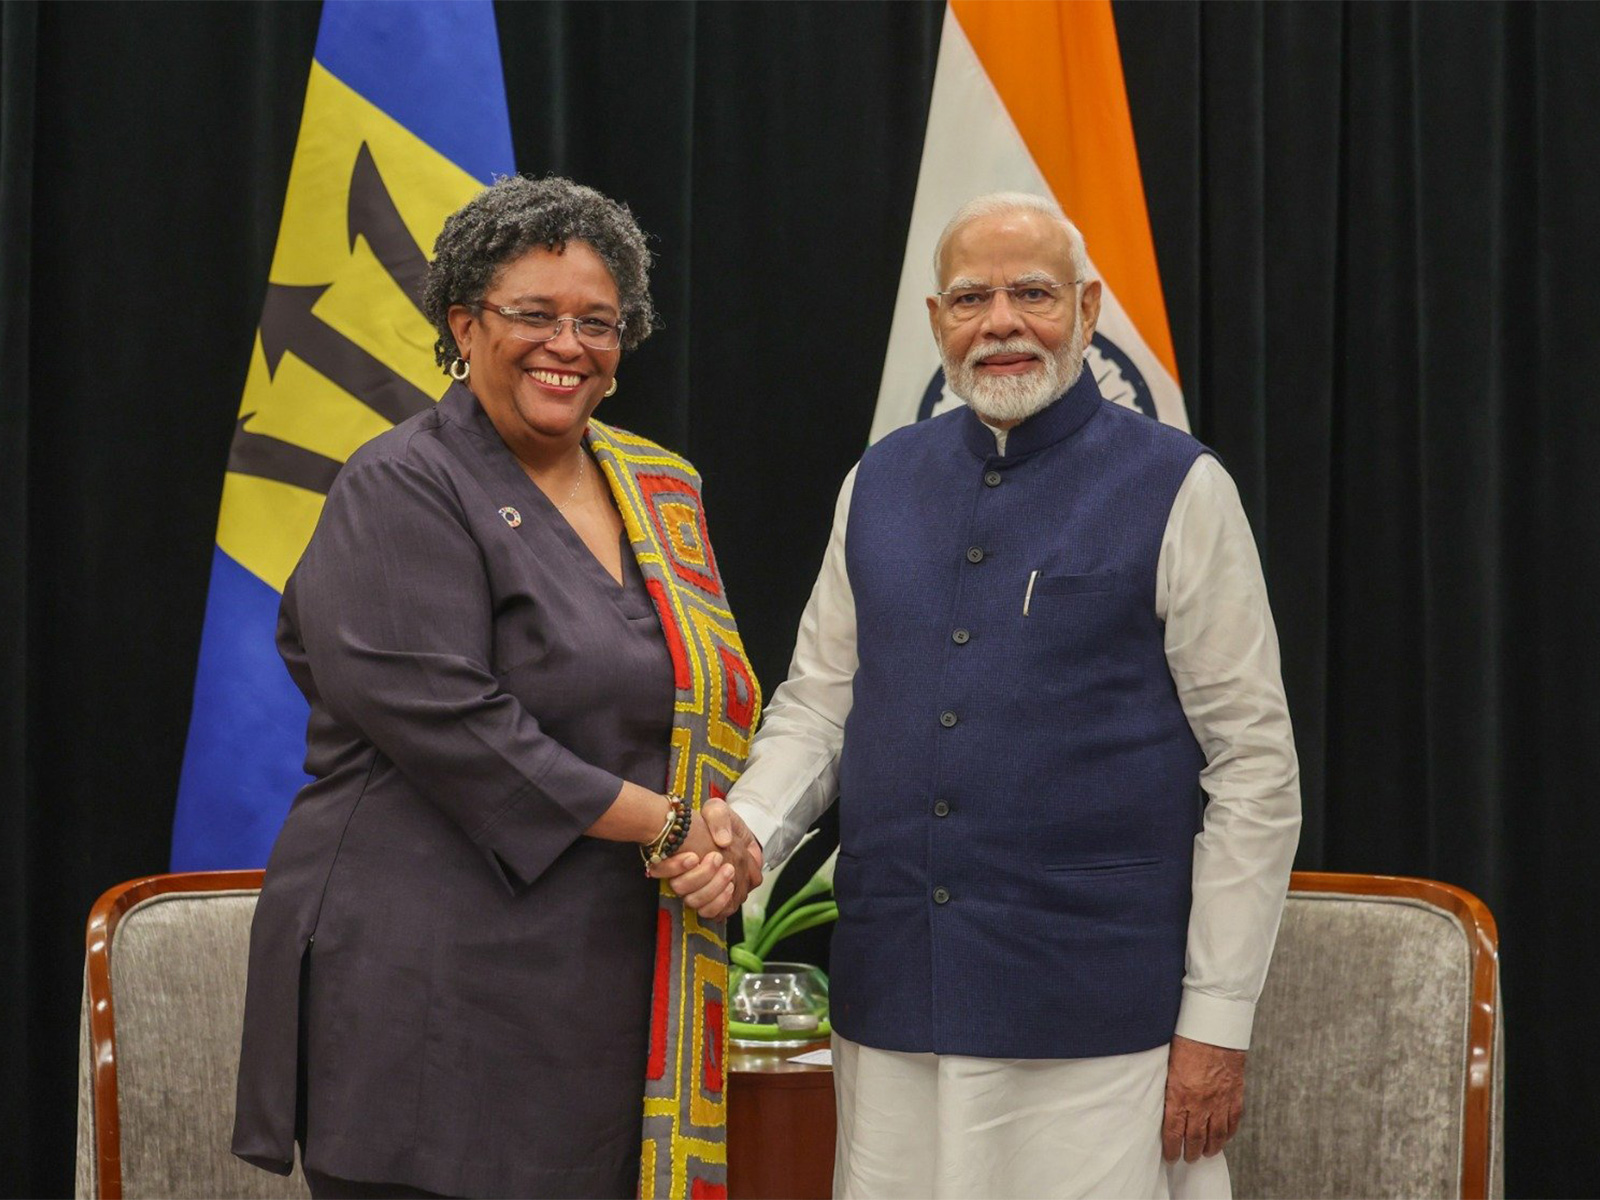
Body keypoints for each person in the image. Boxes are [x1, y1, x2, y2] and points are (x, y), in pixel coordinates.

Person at [663, 193, 1302, 1200]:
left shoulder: (1179, 486)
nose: (1000, 321)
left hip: (1094, 1016)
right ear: (935, 323)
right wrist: (748, 829)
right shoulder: (878, 479)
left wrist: (1215, 1027)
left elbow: (1254, 769)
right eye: (971, 298)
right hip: (893, 1004)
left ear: (1088, 310)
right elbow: (821, 702)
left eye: (1032, 293)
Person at [231, 175, 763, 1200]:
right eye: (533, 314)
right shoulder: (399, 484)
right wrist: (670, 825)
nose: (568, 344)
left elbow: (703, 707)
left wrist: (718, 837)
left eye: (597, 322)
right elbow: (451, 723)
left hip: (600, 986)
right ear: (463, 325)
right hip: (429, 983)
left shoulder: (661, 489)